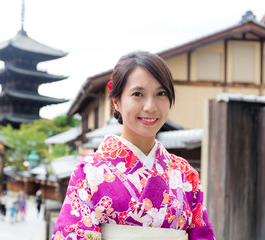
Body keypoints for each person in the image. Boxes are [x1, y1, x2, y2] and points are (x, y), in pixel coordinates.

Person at [51, 51, 215, 240]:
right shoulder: (89, 172)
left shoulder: (186, 174)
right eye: (138, 94)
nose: (150, 107)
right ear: (117, 102)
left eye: (161, 93)